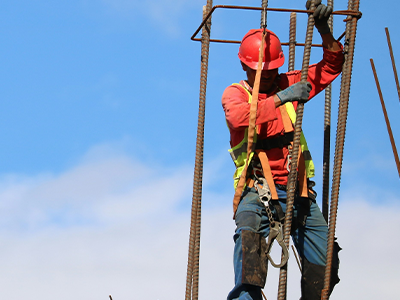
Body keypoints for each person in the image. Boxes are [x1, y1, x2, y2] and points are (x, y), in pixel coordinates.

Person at [221, 1, 343, 300]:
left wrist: (324, 31)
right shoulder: (237, 93)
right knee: (249, 250)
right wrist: (281, 97)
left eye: (273, 70)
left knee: (325, 267)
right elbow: (238, 117)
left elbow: (330, 66)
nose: (268, 77)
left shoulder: (286, 83)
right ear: (245, 67)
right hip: (257, 190)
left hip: (297, 192)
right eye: (261, 71)